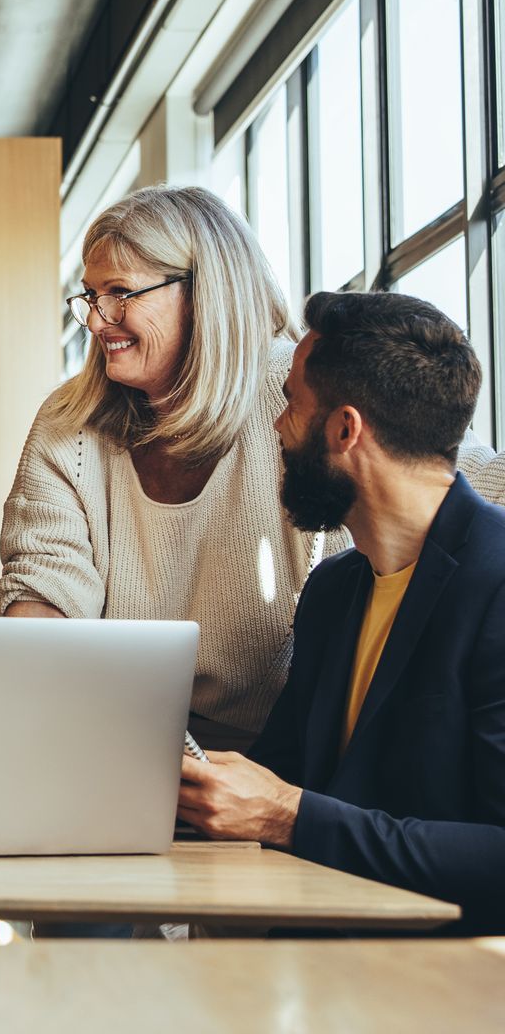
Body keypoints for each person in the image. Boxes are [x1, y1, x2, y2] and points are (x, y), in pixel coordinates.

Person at [0, 185, 498, 754]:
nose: (96, 319)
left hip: (290, 752)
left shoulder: (304, 391)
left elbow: (451, 475)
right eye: (91, 295)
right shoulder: (71, 422)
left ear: (203, 294)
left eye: (119, 293)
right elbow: (43, 584)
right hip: (124, 739)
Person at [178, 290, 505, 935]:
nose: (277, 427)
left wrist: (289, 815)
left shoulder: (497, 584)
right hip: (316, 958)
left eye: (291, 405)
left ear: (345, 429)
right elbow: (280, 776)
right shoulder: (333, 591)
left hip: (452, 977)